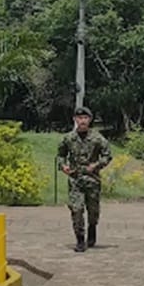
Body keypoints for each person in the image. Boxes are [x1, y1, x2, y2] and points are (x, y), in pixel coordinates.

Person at [57, 106, 113, 252]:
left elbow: (107, 155)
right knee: (76, 209)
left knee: (93, 211)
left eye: (85, 118)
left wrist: (96, 165)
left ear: (89, 120)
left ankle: (92, 228)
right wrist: (63, 166)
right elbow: (61, 155)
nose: (82, 121)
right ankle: (80, 239)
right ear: (75, 119)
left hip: (92, 180)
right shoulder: (68, 138)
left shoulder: (97, 138)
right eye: (79, 118)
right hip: (75, 179)